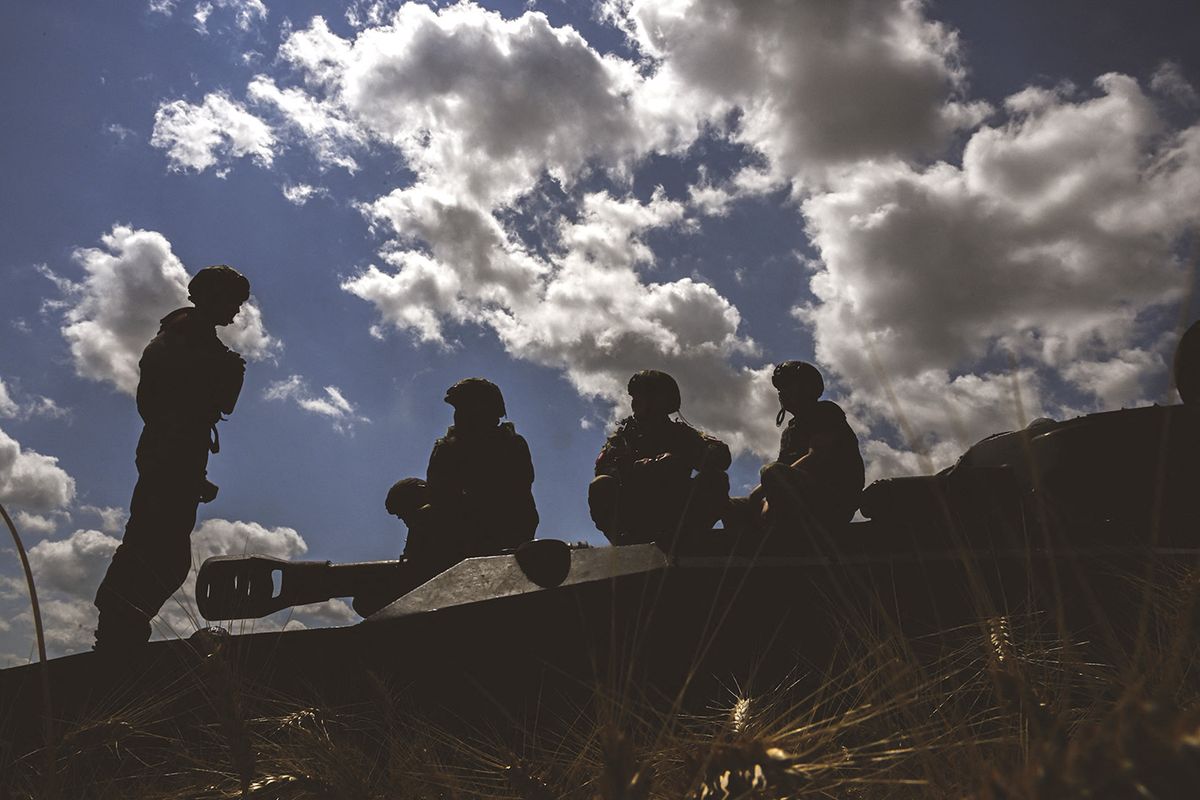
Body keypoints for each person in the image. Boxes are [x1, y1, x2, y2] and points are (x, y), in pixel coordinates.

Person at [93, 265, 251, 651]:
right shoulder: (181, 340)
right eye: (233, 301)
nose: (237, 312)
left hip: (180, 454)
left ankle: (123, 625)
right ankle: (118, 627)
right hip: (171, 453)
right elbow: (167, 404)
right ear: (212, 297)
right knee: (155, 547)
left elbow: (202, 405)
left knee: (163, 549)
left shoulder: (195, 341)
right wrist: (178, 458)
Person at [386, 378, 538, 566]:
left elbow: (518, 494)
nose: (460, 416)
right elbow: (439, 498)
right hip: (460, 538)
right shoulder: (447, 449)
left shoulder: (513, 445)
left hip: (505, 535)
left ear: (487, 411)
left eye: (466, 408)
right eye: (459, 410)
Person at [589, 370, 731, 549]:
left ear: (659, 400)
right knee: (601, 485)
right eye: (635, 397)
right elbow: (604, 469)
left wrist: (685, 457)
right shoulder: (624, 435)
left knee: (716, 479)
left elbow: (721, 456)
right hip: (636, 510)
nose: (634, 403)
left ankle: (691, 538)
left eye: (640, 397)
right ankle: (627, 545)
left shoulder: (681, 434)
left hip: (677, 510)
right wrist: (646, 466)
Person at [738, 361, 864, 551]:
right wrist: (755, 501)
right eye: (780, 388)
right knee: (737, 505)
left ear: (807, 388)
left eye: (788, 386)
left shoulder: (825, 412)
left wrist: (761, 494)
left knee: (771, 472)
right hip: (803, 496)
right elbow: (783, 468)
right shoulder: (790, 431)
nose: (782, 393)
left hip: (832, 500)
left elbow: (817, 456)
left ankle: (778, 538)